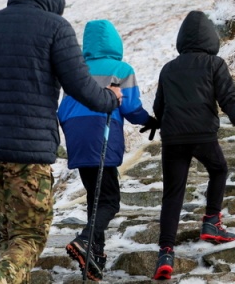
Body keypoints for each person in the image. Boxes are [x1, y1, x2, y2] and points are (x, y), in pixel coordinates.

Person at [0, 0, 122, 284]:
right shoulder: (55, 27)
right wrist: (110, 98)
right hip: (29, 154)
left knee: (7, 233)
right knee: (29, 236)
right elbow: (80, 87)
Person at [145, 11, 235, 281]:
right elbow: (228, 97)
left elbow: (159, 106)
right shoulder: (214, 64)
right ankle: (212, 222)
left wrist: (158, 123)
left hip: (173, 138)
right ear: (210, 37)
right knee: (218, 169)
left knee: (172, 194)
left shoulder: (169, 68)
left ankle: (165, 253)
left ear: (182, 39)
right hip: (203, 134)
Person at [58, 19, 157, 281]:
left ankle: (95, 255)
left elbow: (63, 108)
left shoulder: (77, 69)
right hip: (101, 131)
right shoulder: (120, 69)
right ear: (115, 41)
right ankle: (85, 240)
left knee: (95, 195)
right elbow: (131, 108)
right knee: (111, 201)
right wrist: (149, 121)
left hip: (75, 136)